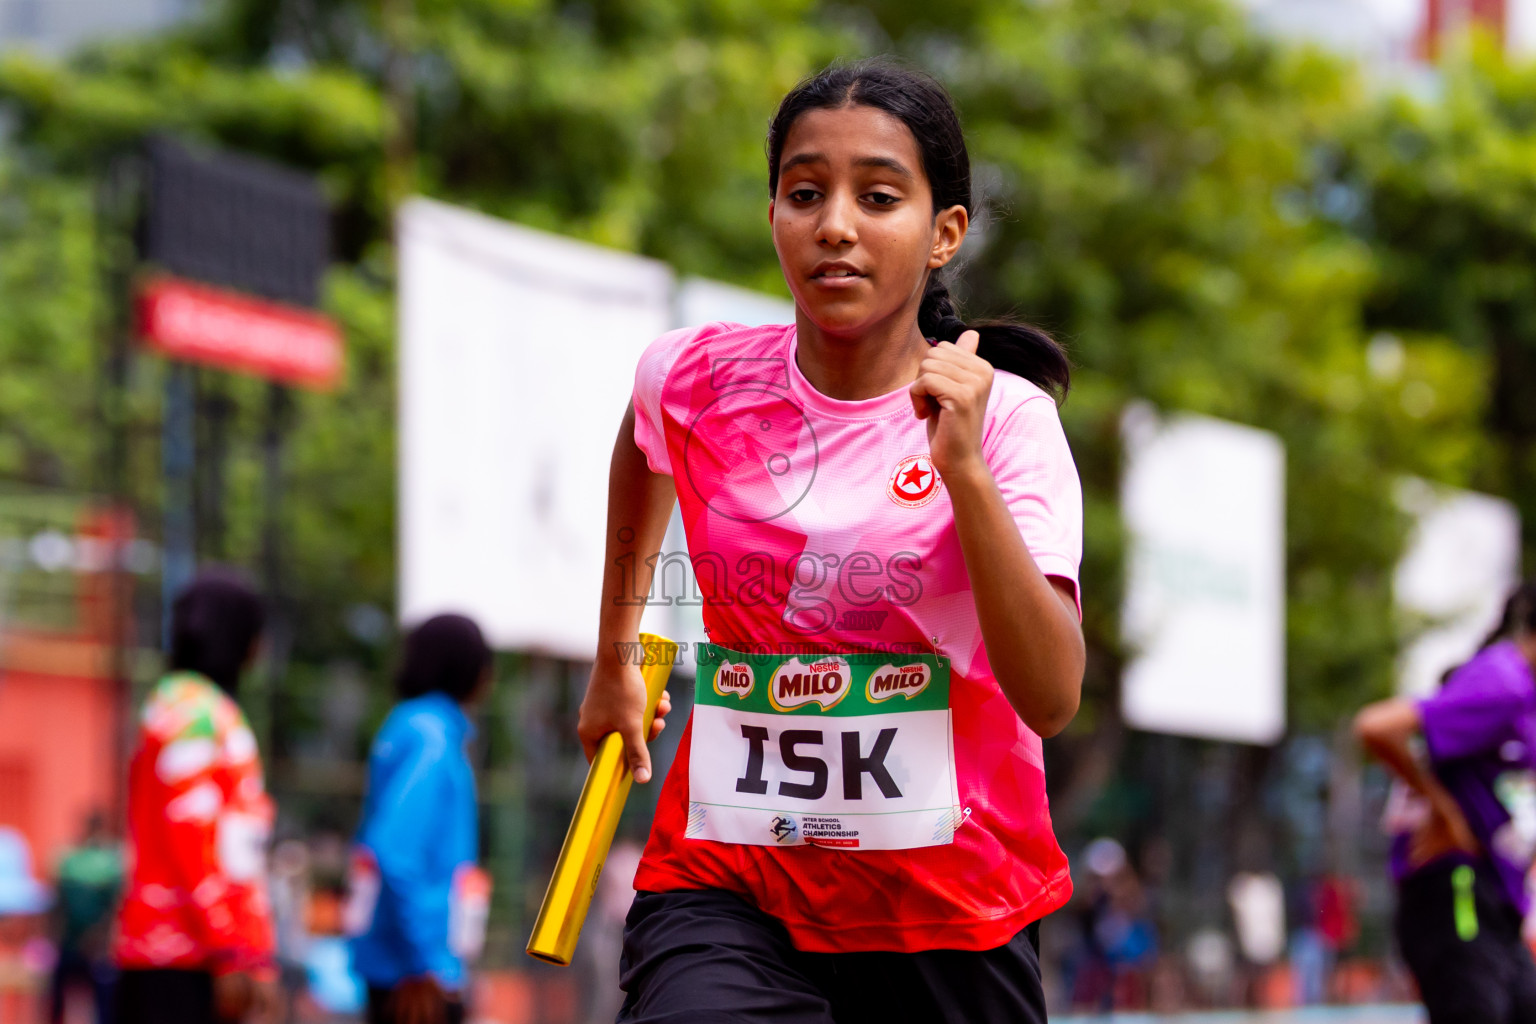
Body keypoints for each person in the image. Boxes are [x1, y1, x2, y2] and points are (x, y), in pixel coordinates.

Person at [577, 57, 1085, 1022]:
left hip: (949, 912)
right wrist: (616, 653)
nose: (836, 225)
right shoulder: (695, 379)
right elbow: (641, 446)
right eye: (805, 193)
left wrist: (963, 470)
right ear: (773, 216)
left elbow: (1053, 696)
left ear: (945, 235)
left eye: (878, 197)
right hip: (731, 885)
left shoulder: (1009, 424)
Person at [1355, 581, 1536, 1023]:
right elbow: (1376, 726)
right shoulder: (1502, 682)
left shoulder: (1522, 697)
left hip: (1496, 900)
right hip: (1456, 891)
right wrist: (1443, 808)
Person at [114, 570, 278, 1024]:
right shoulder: (195, 715)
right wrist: (233, 952)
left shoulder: (177, 706)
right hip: (184, 960)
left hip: (177, 955)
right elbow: (195, 844)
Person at [348, 614, 493, 1024]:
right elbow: (395, 851)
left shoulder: (409, 727)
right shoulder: (432, 739)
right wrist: (425, 963)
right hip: (413, 977)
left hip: (398, 961)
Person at [48, 811, 123, 1024]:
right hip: (71, 938)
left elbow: (114, 906)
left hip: (96, 943)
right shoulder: (69, 859)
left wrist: (102, 936)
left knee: (104, 999)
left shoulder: (113, 860)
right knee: (59, 994)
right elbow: (59, 902)